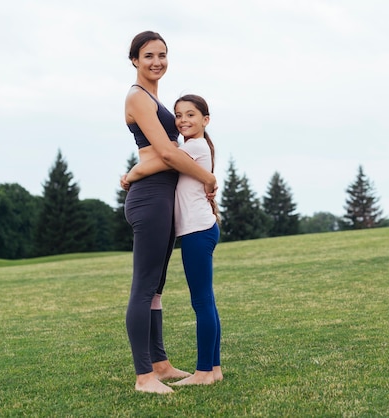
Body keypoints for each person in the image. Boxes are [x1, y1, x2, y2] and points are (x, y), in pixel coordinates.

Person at [123, 31, 217, 394]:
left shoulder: (154, 97)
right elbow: (165, 153)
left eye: (162, 55)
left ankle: (160, 364)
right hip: (149, 198)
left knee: (157, 289)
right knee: (144, 286)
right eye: (148, 56)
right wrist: (208, 176)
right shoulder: (137, 97)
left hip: (163, 195)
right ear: (134, 60)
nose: (156, 61)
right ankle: (144, 376)